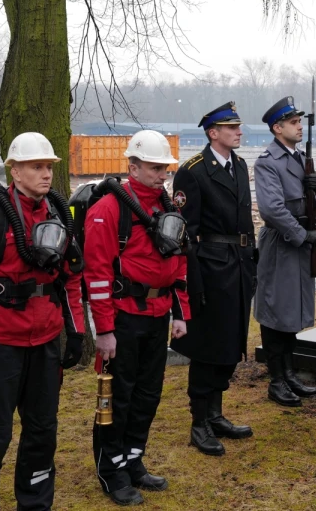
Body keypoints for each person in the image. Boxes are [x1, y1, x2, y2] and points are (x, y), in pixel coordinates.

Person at [0, 132, 85, 511]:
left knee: (43, 431)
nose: (46, 174)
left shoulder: (59, 216)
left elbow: (72, 279)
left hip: (44, 343)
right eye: (37, 166)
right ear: (15, 169)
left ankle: (36, 504)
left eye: (49, 167)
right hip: (0, 345)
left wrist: (76, 333)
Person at [85, 129, 190, 506]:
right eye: (154, 167)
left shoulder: (166, 209)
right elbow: (96, 275)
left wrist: (180, 313)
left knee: (148, 393)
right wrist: (105, 330)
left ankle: (133, 460)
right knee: (118, 396)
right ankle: (110, 470)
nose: (162, 174)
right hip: (124, 317)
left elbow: (178, 263)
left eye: (165, 168)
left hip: (158, 315)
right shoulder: (109, 209)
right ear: (133, 166)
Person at [171, 102, 256, 457]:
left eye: (238, 127)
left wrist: (252, 261)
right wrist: (194, 281)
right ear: (213, 133)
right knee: (207, 347)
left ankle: (216, 413)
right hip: (209, 267)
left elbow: (246, 222)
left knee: (229, 343)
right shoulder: (192, 172)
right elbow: (183, 233)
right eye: (232, 127)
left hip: (237, 266)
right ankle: (199, 422)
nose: (239, 132)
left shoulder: (239, 165)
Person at [254, 96, 316, 407]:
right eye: (294, 122)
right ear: (277, 128)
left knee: (293, 310)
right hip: (283, 243)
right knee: (276, 311)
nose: (299, 127)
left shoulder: (300, 159)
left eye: (300, 122)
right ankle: (276, 379)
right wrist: (304, 236)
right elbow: (272, 210)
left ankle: (289, 372)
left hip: (300, 242)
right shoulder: (267, 162)